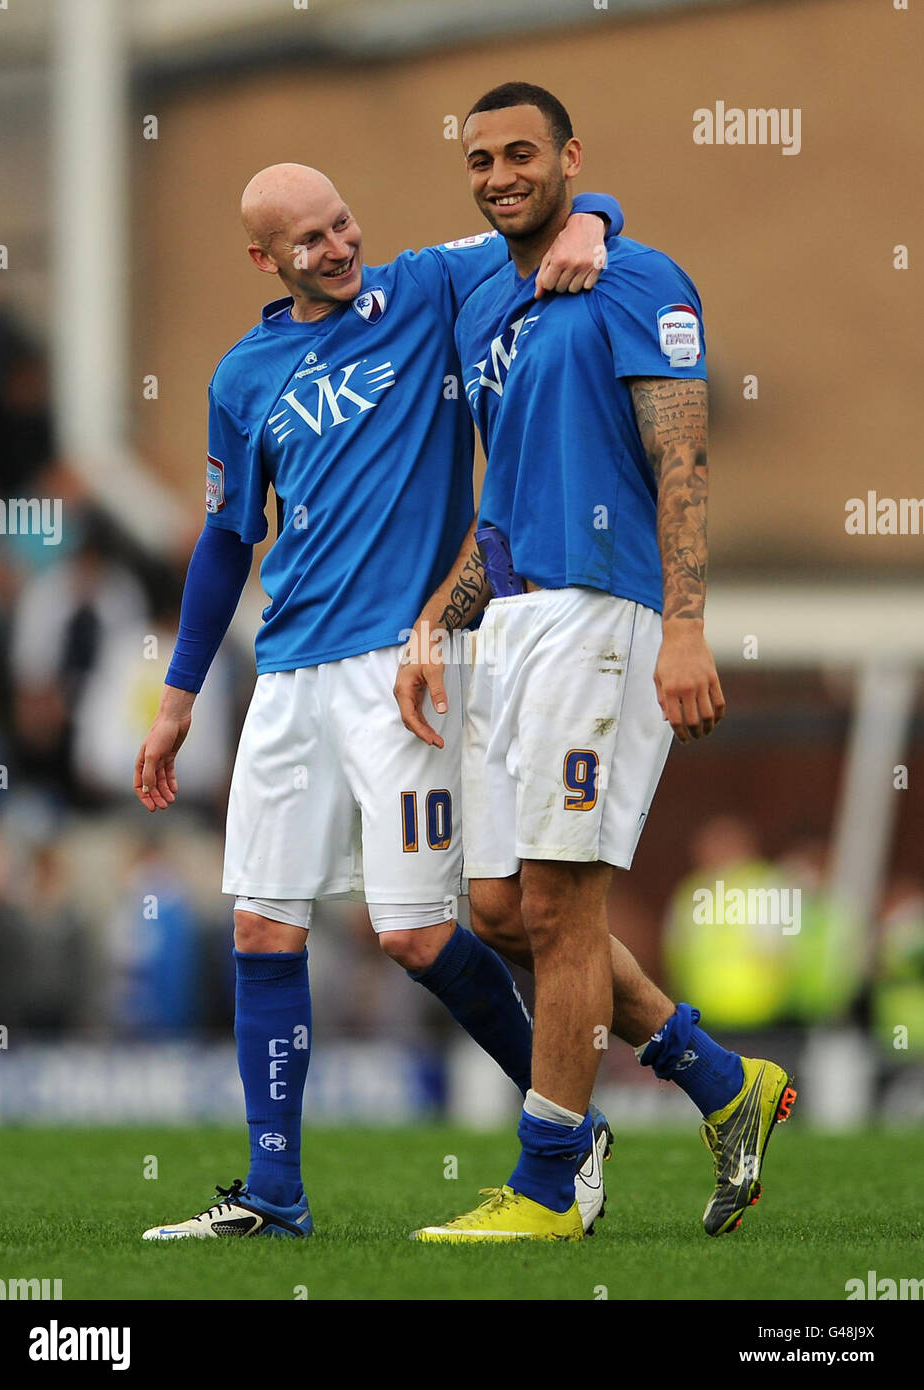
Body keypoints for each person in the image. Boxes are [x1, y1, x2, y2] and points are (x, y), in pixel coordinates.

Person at [134, 161, 621, 1239]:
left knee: (413, 935)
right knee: (262, 924)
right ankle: (273, 1194)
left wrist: (594, 215)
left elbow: (536, 224)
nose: (340, 247)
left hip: (405, 667)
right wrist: (177, 698)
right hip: (288, 668)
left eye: (343, 221)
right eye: (310, 241)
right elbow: (226, 543)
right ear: (266, 260)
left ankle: (569, 1126)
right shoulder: (241, 376)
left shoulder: (428, 287)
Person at [395, 83, 796, 1243]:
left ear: (572, 157)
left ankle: (547, 1186)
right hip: (510, 622)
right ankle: (724, 1080)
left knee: (567, 907)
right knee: (496, 907)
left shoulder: (638, 277)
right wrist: (439, 623)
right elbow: (503, 498)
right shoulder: (485, 298)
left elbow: (683, 459)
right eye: (480, 158)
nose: (499, 173)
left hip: (601, 620)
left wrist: (685, 623)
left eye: (523, 153)